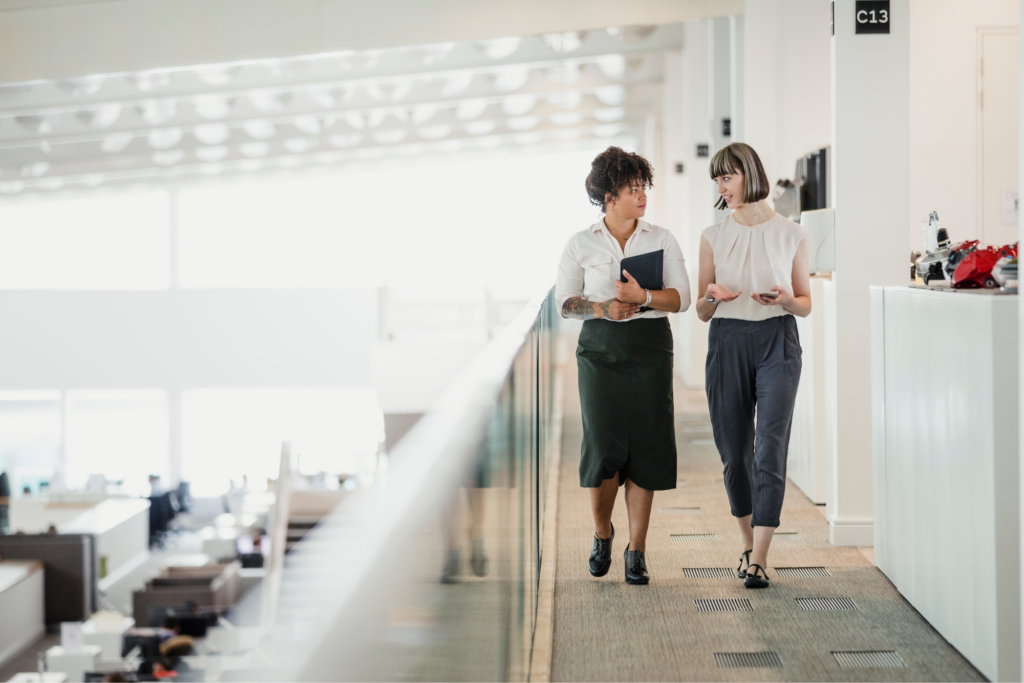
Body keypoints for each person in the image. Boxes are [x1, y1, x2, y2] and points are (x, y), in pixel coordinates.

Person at [556, 146, 691, 585]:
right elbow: (565, 304)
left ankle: (637, 549)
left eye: (643, 187)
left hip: (651, 347)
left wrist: (644, 298)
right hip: (600, 351)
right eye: (632, 188)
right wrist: (602, 309)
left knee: (647, 447)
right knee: (603, 447)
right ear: (609, 196)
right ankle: (602, 532)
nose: (642, 195)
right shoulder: (580, 243)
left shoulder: (662, 238)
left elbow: (681, 298)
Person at [696, 142, 811, 589]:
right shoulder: (713, 235)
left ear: (749, 175)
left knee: (770, 448)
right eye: (717, 180)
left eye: (728, 177)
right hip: (726, 341)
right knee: (735, 453)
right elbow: (702, 312)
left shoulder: (791, 232)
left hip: (777, 340)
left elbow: (804, 303)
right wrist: (710, 296)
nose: (722, 187)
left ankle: (760, 556)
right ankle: (746, 542)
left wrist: (785, 299)